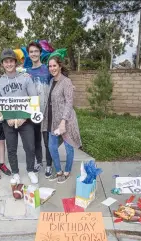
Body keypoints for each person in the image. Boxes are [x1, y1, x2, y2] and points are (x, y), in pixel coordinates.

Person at [0, 48, 38, 184]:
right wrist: (7, 119)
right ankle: (15, 172)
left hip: (26, 120)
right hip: (9, 122)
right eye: (6, 61)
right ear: (3, 64)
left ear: (15, 62)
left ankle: (30, 170)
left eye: (11, 61)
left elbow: (34, 98)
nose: (9, 64)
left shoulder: (25, 78)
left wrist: (25, 117)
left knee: (30, 147)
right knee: (11, 149)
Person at [43, 55, 82, 184]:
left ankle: (67, 171)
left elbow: (69, 103)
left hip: (66, 121)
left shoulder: (66, 82)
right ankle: (58, 171)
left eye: (54, 65)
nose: (52, 68)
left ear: (60, 66)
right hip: (53, 121)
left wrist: (63, 122)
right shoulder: (51, 81)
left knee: (68, 147)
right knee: (51, 146)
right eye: (50, 66)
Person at [26, 41, 52, 178]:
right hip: (33, 112)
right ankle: (39, 161)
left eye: (36, 51)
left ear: (40, 53)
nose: (34, 54)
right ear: (29, 54)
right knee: (36, 140)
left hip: (47, 111)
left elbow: (58, 81)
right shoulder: (27, 72)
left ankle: (49, 164)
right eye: (31, 51)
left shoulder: (48, 70)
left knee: (47, 141)